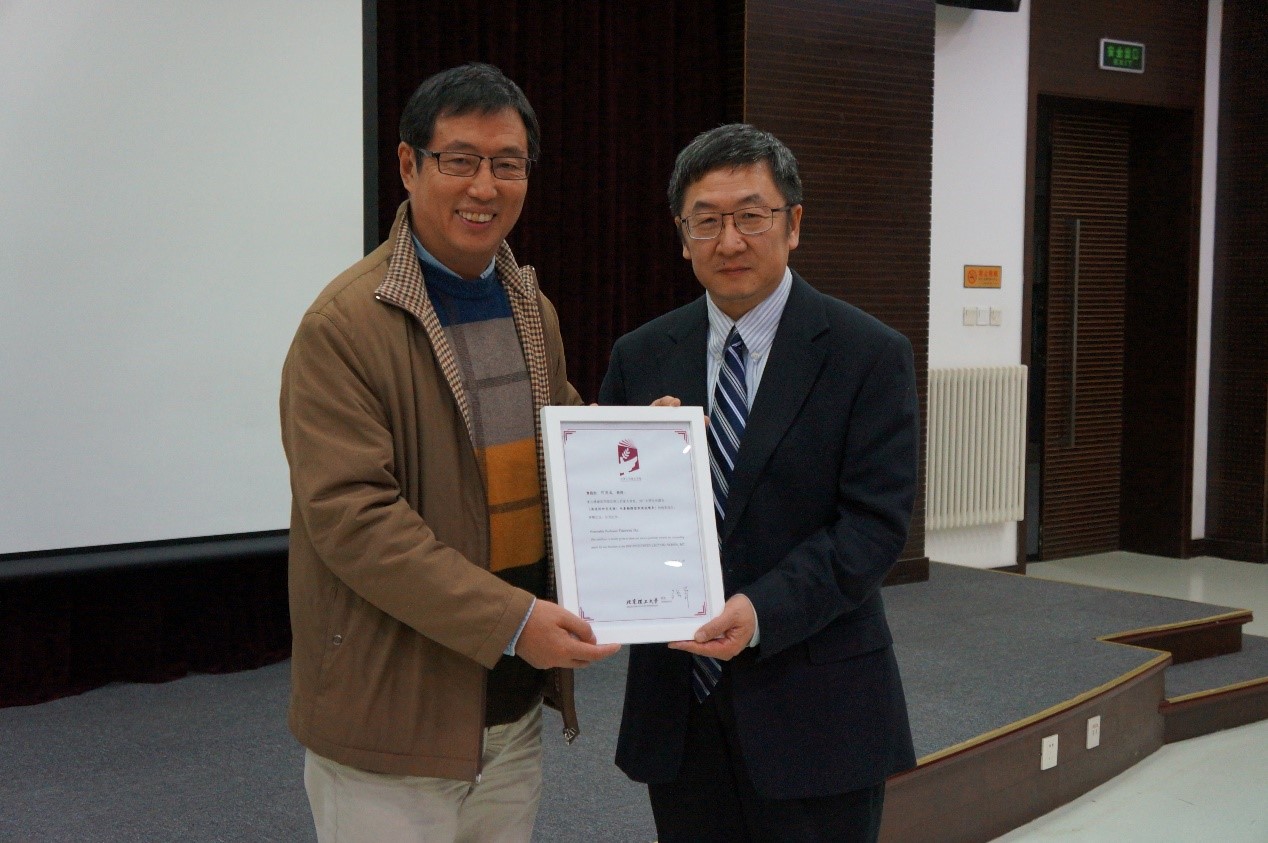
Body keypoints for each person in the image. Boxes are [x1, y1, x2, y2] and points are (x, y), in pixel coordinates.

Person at [279, 62, 619, 843]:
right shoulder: (343, 326)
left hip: (509, 711)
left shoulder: (530, 305)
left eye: (508, 163)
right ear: (409, 165)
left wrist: (642, 446)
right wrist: (514, 621)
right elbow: (356, 522)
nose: (484, 186)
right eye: (460, 160)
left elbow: (555, 437)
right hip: (392, 724)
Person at [598, 123, 919, 842]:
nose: (730, 241)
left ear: (793, 224)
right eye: (706, 221)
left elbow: (874, 527)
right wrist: (629, 472)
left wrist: (759, 608)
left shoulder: (868, 354)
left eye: (751, 216)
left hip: (818, 706)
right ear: (682, 236)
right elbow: (614, 516)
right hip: (680, 710)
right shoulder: (641, 356)